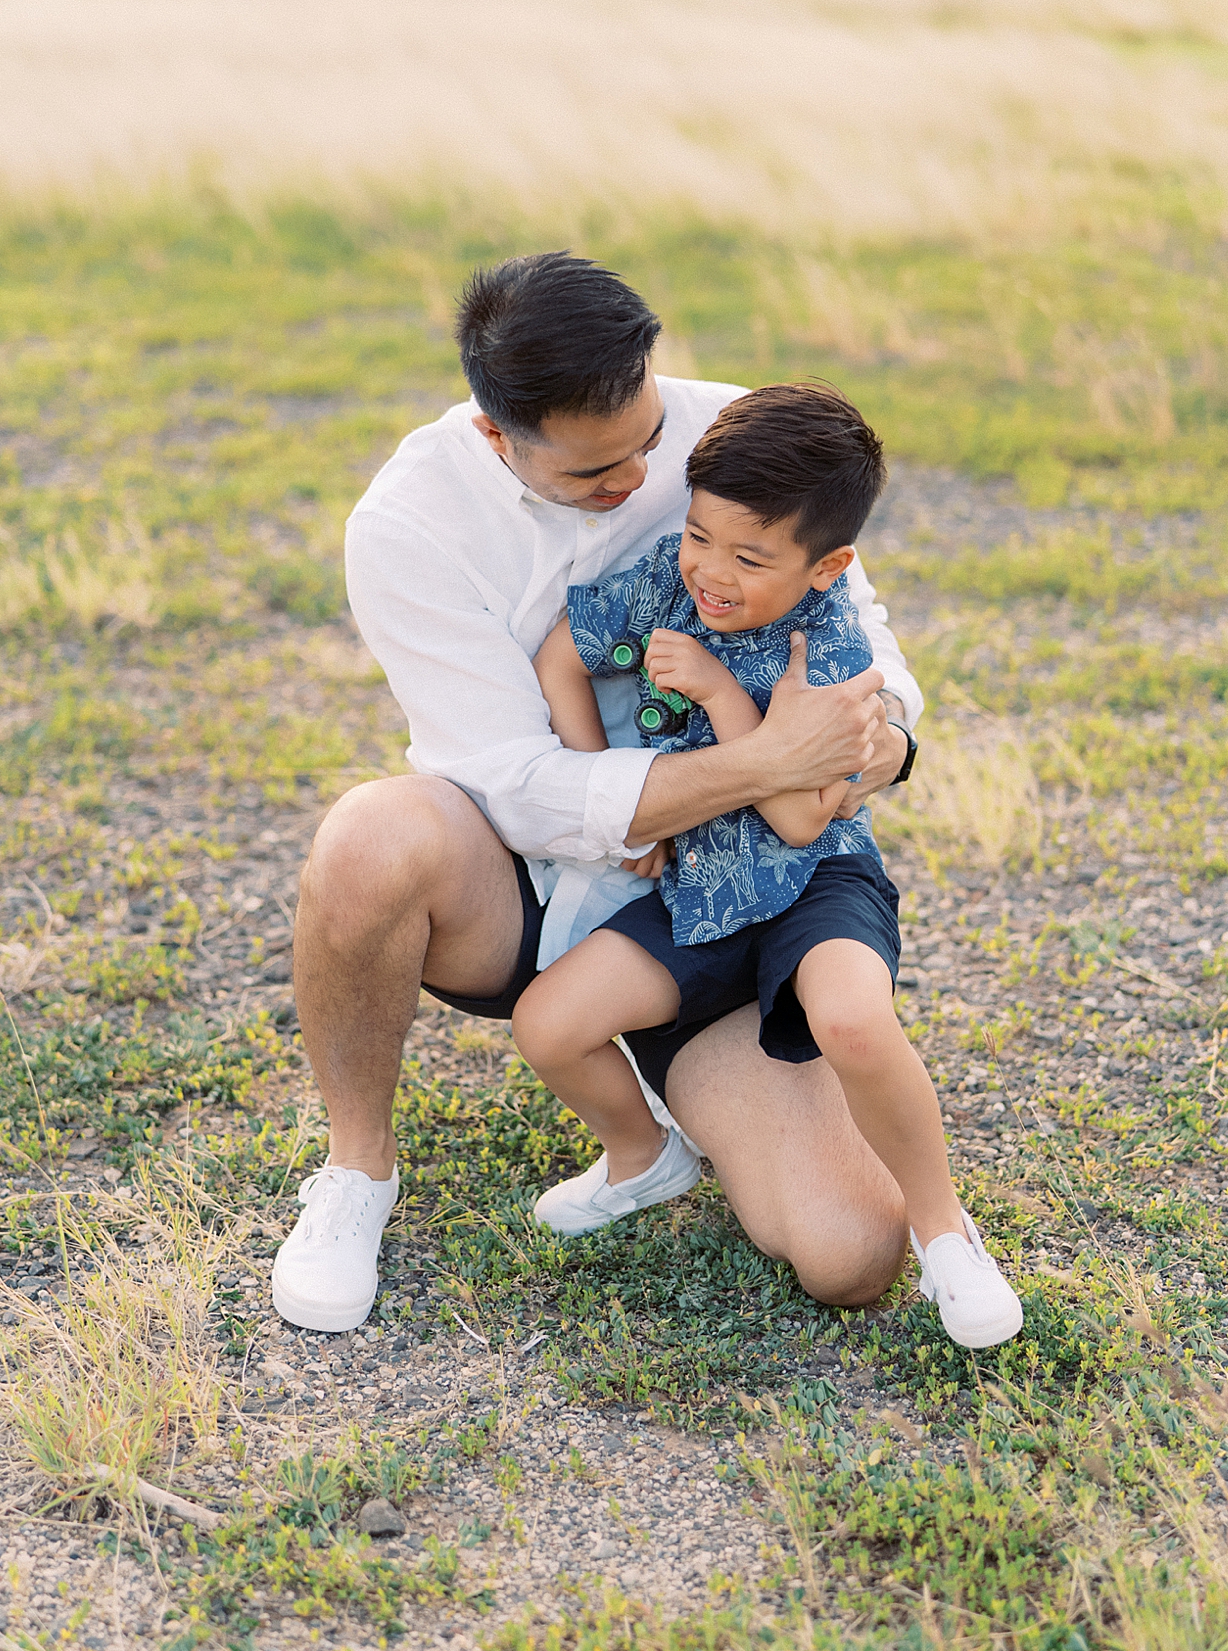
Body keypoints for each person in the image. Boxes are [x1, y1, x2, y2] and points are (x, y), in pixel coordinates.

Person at [273, 251, 922, 1336]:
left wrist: (879, 745)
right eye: (591, 474)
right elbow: (517, 790)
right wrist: (764, 763)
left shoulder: (732, 440)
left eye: (645, 443)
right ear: (496, 437)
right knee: (368, 836)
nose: (634, 481)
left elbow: (867, 653)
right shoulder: (407, 524)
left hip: (724, 900)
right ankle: (356, 1174)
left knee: (849, 1251)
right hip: (528, 895)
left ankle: (678, 1080)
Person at [514, 383, 1022, 1350]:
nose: (710, 571)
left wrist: (716, 689)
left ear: (828, 565)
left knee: (853, 1022)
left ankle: (946, 1234)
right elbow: (560, 659)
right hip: (698, 891)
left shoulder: (829, 644)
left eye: (749, 558)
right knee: (550, 1023)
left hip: (814, 881)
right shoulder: (672, 575)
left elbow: (796, 817)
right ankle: (640, 1154)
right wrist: (613, 797)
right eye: (701, 535)